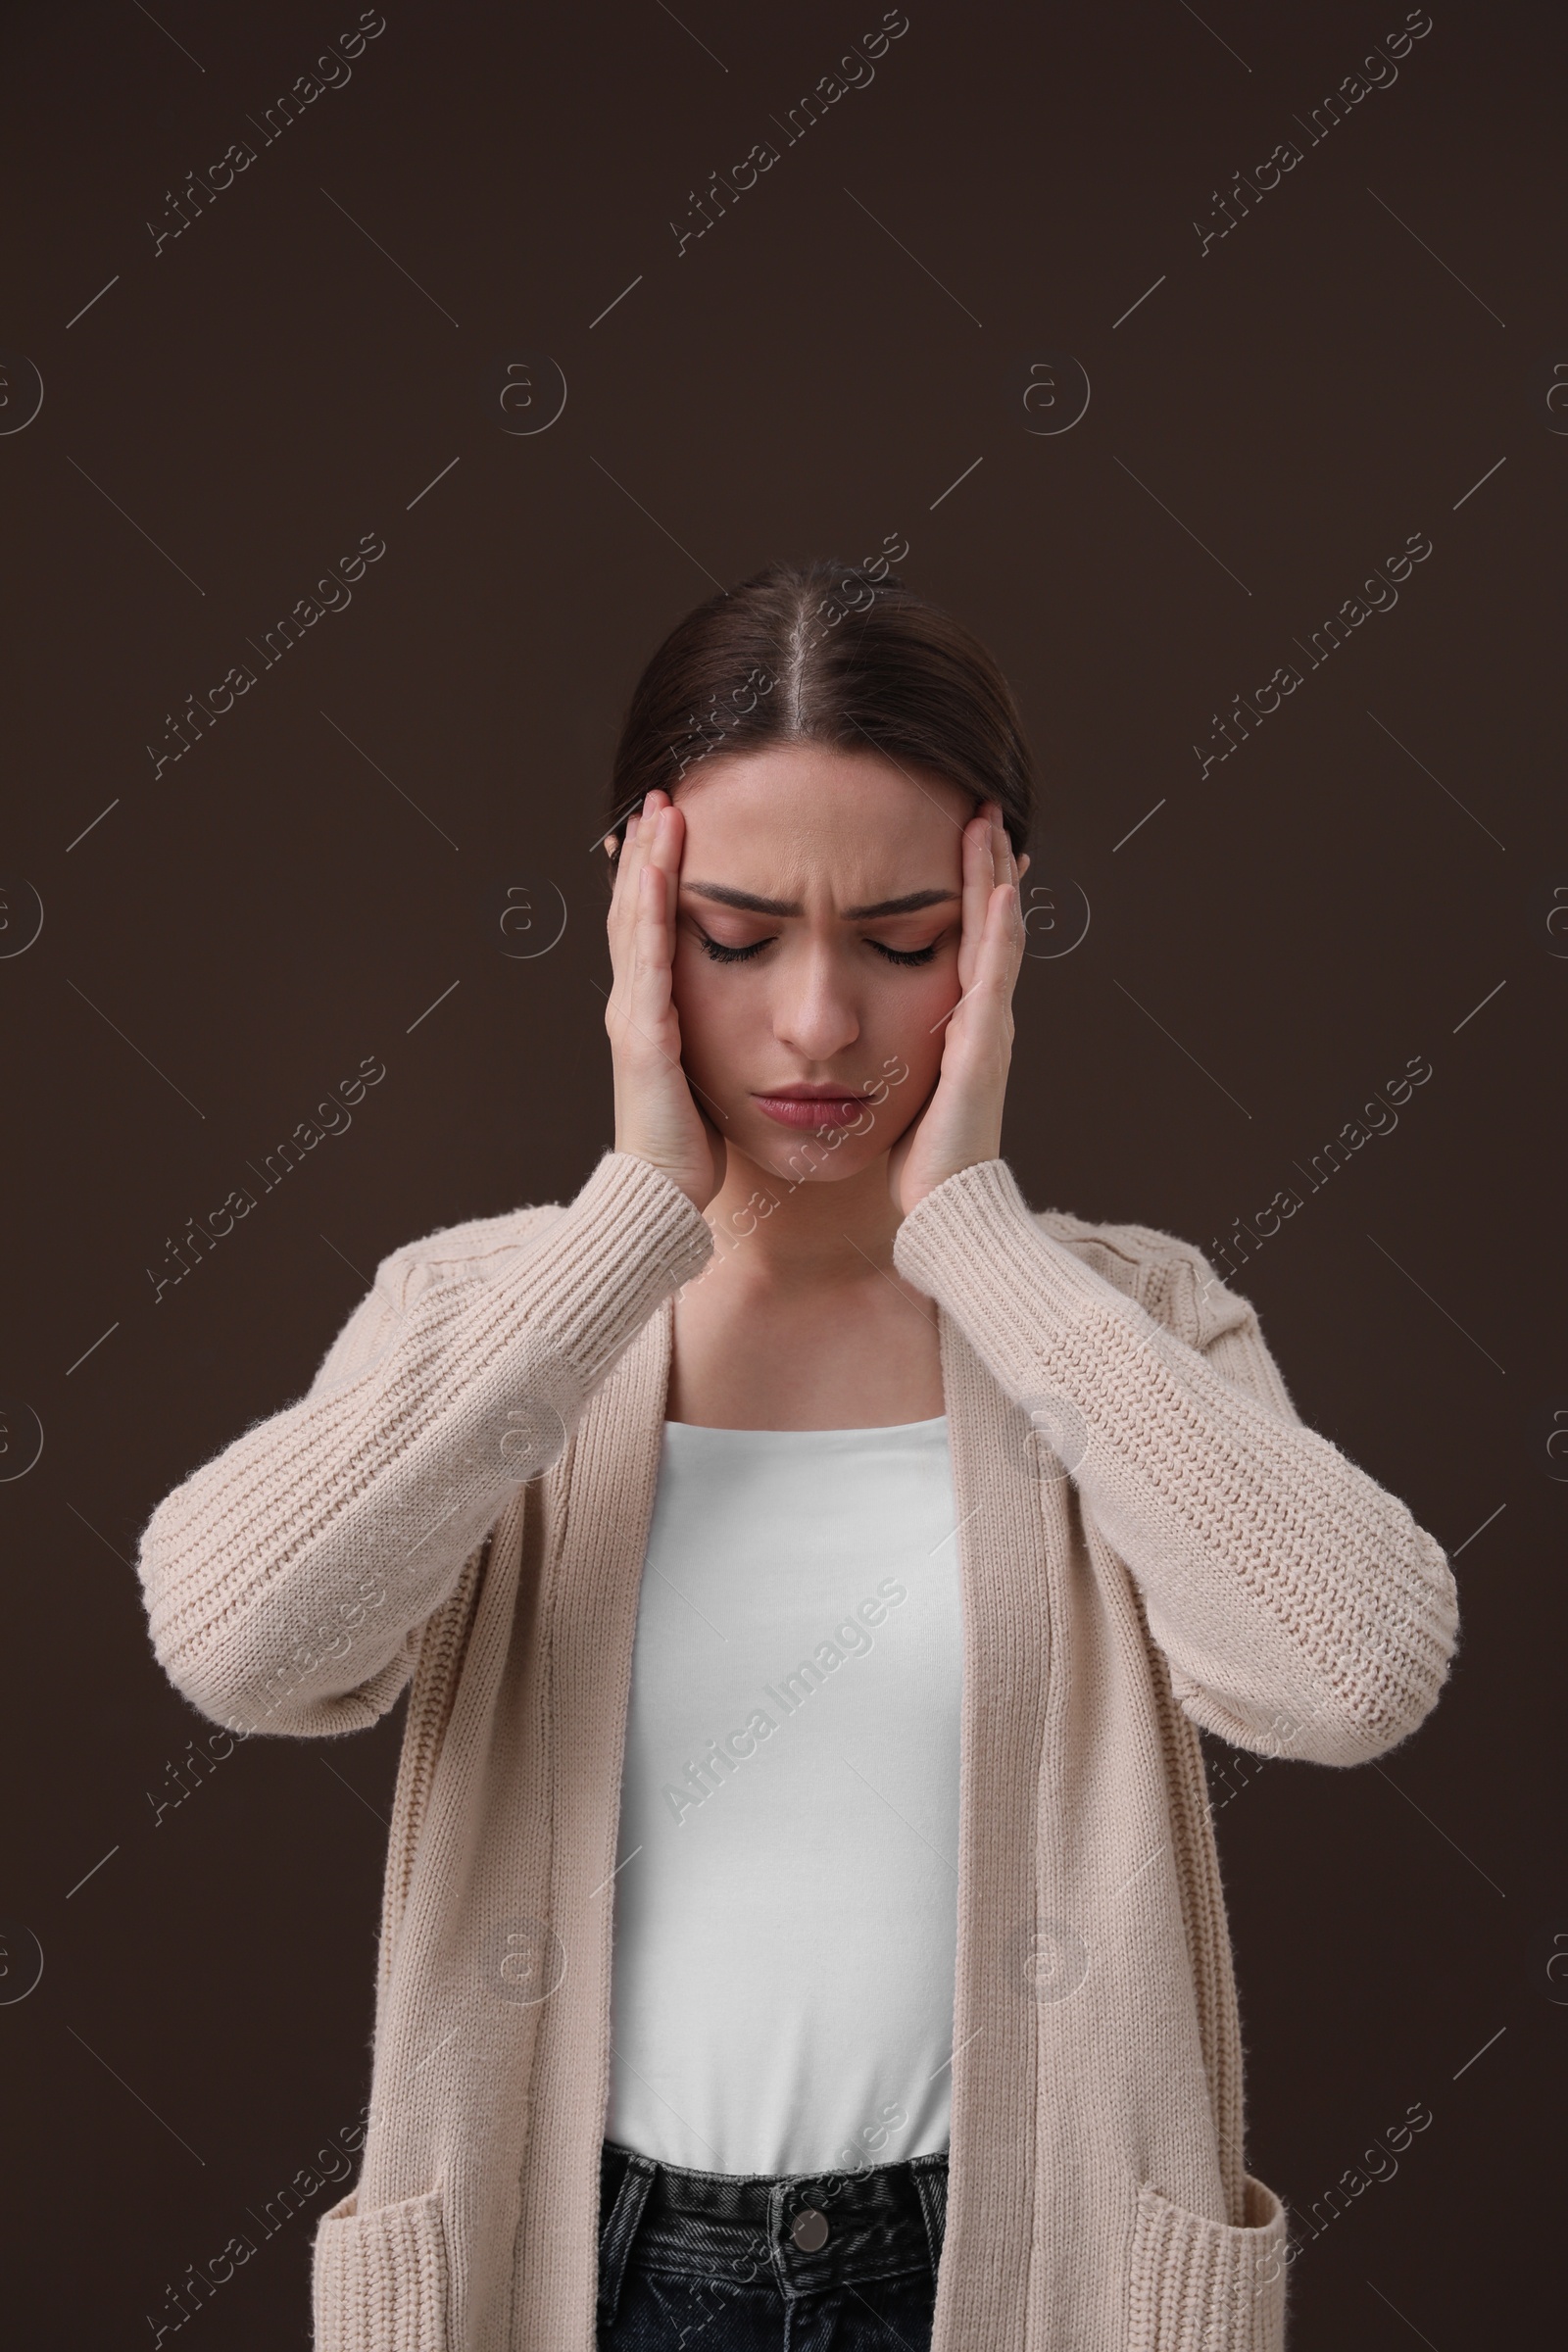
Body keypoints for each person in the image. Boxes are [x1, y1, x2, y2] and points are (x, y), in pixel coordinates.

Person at [134, 560, 1460, 2352]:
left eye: (904, 939)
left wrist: (983, 1242)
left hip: (1015, 2277)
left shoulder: (1127, 1318)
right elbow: (234, 1638)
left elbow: (1362, 1667)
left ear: (995, 938)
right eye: (740, 936)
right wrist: (624, 1230)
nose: (822, 1022)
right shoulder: (496, 1313)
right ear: (635, 914)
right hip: (579, 2277)